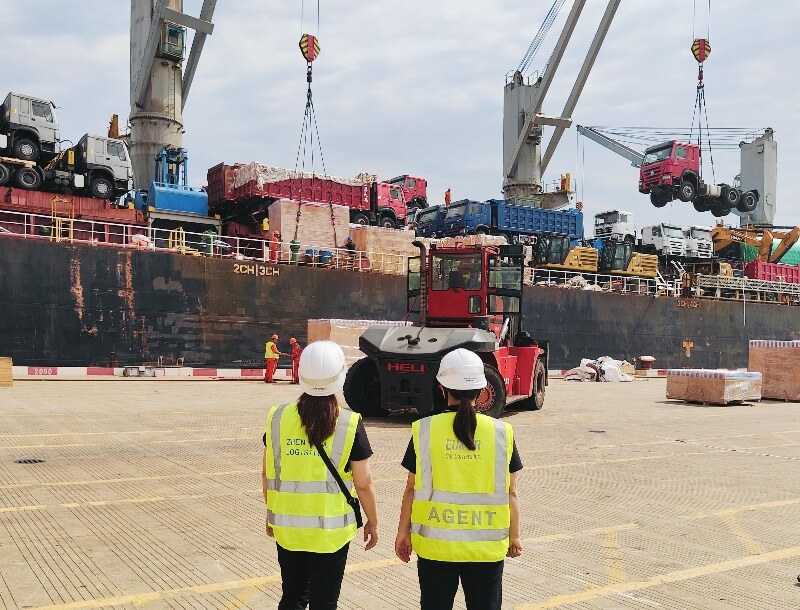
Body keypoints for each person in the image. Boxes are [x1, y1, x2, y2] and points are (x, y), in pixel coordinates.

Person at [394, 349, 523, 610]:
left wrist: (402, 532)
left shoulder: (424, 430)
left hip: (435, 548)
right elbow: (511, 492)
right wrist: (514, 537)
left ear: (442, 387)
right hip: (485, 551)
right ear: (482, 389)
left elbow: (411, 488)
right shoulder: (501, 432)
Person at [263, 341, 379, 609]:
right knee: (324, 602)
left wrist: (271, 514)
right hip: (330, 532)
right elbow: (364, 483)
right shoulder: (349, 422)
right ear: (339, 378)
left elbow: (268, 472)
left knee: (292, 597)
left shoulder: (278, 418)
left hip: (288, 526)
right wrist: (373, 522)